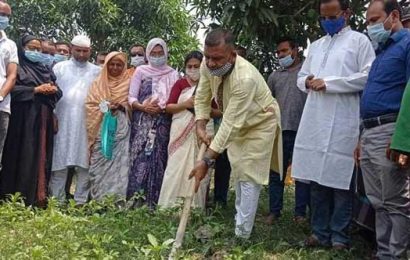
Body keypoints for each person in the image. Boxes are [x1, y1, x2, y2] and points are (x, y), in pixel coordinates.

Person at [292, 0, 375, 249]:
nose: (328, 22)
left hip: (343, 120)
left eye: (332, 17)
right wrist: (307, 81)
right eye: (323, 18)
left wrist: (330, 83)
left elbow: (367, 76)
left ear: (346, 14)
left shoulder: (360, 42)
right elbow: (299, 76)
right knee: (317, 181)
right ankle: (319, 232)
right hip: (315, 120)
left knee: (340, 182)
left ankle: (339, 236)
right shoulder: (316, 46)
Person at [189, 29, 282, 239]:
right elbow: (202, 95)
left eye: (217, 58)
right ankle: (241, 223)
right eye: (208, 57)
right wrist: (200, 125)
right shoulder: (208, 64)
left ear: (233, 55)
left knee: (249, 174)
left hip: (260, 123)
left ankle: (242, 235)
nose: (211, 63)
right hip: (238, 121)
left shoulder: (245, 78)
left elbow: (229, 124)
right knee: (239, 169)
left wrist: (206, 161)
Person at [359, 1, 410, 258]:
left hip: (390, 130)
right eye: (368, 21)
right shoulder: (381, 52)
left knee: (395, 202)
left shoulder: (407, 44)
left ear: (394, 16)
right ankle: (384, 253)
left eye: (374, 20)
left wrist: (401, 138)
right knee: (378, 202)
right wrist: (361, 136)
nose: (370, 27)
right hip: (370, 132)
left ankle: (395, 255)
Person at [0, 34, 62, 207]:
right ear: (22, 48)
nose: (35, 52)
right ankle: (13, 198)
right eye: (31, 48)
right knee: (20, 155)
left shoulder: (45, 69)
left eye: (38, 49)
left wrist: (52, 90)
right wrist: (35, 90)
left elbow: (59, 92)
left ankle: (37, 197)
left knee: (41, 156)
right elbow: (12, 90)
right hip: (22, 120)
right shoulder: (16, 67)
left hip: (43, 119)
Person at [127, 38, 179, 208]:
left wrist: (162, 109)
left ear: (166, 53)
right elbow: (131, 97)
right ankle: (136, 200)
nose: (157, 57)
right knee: (140, 158)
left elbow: (175, 100)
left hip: (163, 122)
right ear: (148, 54)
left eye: (160, 53)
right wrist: (143, 107)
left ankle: (155, 200)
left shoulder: (173, 73)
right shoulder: (141, 71)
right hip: (142, 121)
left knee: (159, 157)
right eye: (153, 54)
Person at [49, 35, 101, 205]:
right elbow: (52, 93)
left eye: (85, 51)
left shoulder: (96, 71)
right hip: (62, 120)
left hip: (87, 123)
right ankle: (57, 201)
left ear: (90, 51)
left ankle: (80, 202)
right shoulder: (59, 68)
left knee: (84, 163)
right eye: (78, 50)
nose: (81, 54)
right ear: (71, 49)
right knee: (59, 162)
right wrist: (53, 115)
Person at [158, 51, 211, 209]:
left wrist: (202, 107)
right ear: (185, 67)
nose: (193, 69)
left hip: (201, 131)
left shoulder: (209, 84)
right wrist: (186, 104)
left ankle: (193, 208)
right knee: (175, 167)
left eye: (196, 66)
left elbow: (218, 111)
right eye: (190, 66)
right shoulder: (180, 84)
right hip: (180, 131)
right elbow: (168, 107)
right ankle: (168, 206)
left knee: (198, 164)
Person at [266, 37, 309, 225]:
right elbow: (267, 103)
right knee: (276, 173)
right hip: (280, 132)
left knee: (301, 175)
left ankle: (300, 214)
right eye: (278, 52)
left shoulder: (306, 73)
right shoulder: (275, 76)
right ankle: (274, 211)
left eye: (284, 51)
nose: (280, 55)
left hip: (303, 131)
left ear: (295, 50)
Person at [86, 52, 131, 201]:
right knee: (100, 161)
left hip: (121, 129)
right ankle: (99, 200)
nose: (115, 67)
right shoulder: (98, 83)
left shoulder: (129, 82)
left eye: (119, 64)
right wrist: (104, 106)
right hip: (101, 129)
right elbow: (90, 106)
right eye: (112, 64)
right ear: (106, 65)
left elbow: (133, 104)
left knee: (119, 165)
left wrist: (122, 107)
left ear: (124, 66)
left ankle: (116, 200)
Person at [0, 2, 17, 174]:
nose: (3, 18)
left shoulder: (10, 44)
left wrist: (0, 96)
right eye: (1, 14)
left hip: (2, 106)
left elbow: (12, 75)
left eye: (6, 16)